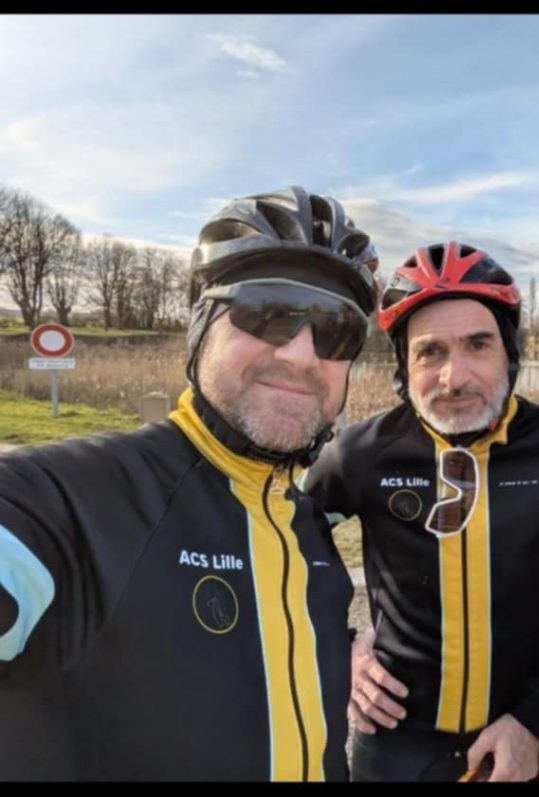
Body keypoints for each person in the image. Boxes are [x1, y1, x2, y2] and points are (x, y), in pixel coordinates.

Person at [0, 186, 379, 780]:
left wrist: (343, 649)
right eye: (268, 312)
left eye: (336, 331)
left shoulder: (305, 525)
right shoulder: (72, 502)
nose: (303, 355)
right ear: (200, 326)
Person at [302, 241, 539, 782]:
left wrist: (534, 717)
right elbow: (284, 553)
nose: (455, 377)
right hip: (394, 743)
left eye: (478, 345)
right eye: (430, 352)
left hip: (521, 738)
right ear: (404, 365)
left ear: (509, 352)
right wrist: (340, 649)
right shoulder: (359, 455)